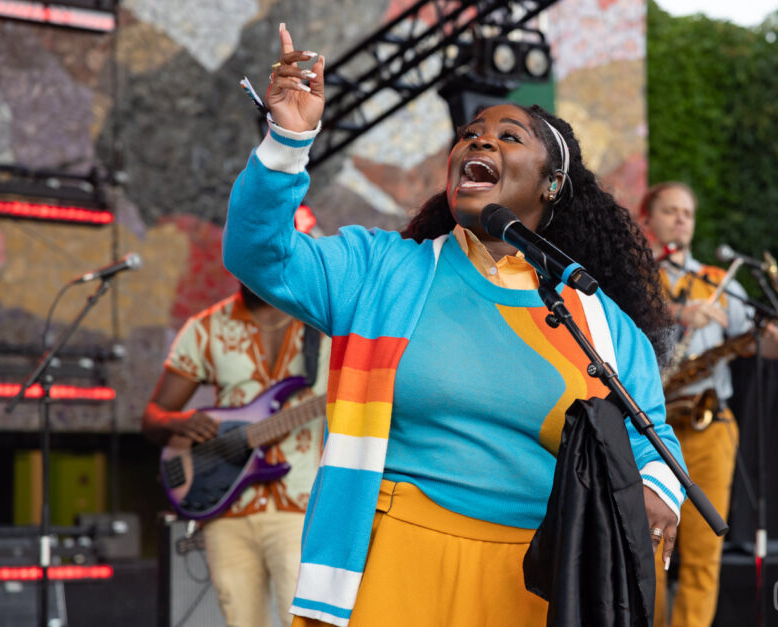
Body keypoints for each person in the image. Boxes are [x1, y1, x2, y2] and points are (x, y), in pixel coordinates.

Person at [222, 23, 689, 627]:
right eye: (469, 134)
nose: (479, 143)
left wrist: (660, 491)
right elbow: (260, 252)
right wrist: (288, 140)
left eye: (507, 136)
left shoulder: (597, 316)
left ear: (552, 184)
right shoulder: (381, 270)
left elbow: (655, 439)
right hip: (389, 562)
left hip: (536, 579)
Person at [639, 181, 778, 627]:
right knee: (647, 552)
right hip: (650, 429)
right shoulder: (635, 276)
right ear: (648, 219)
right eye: (670, 211)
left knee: (703, 552)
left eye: (687, 213)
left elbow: (751, 346)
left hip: (710, 421)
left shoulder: (715, 279)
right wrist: (676, 315)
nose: (680, 219)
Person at [141, 283, 330, 627]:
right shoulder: (206, 328)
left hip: (303, 509)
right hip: (226, 509)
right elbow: (153, 416)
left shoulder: (325, 321)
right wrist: (180, 421)